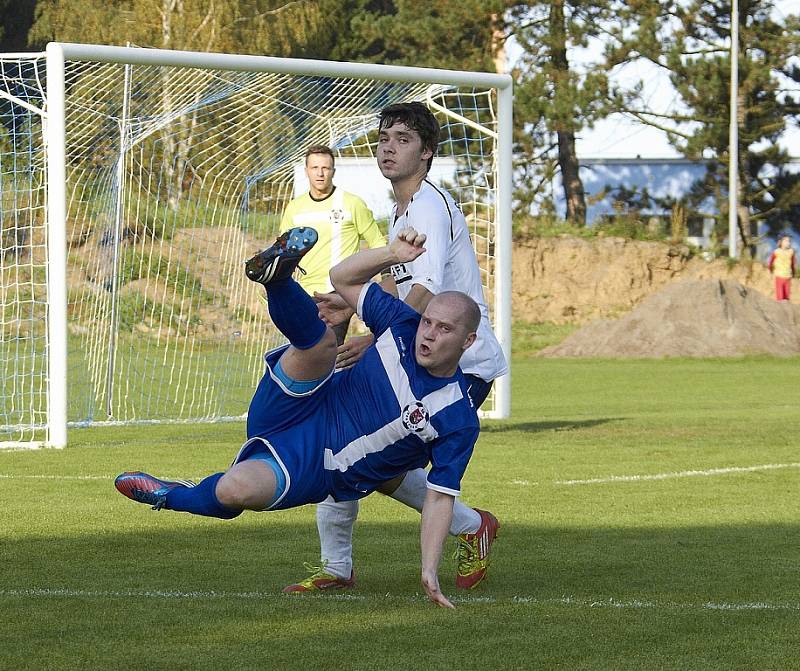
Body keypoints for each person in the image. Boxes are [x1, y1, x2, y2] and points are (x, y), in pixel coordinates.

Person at [116, 225, 482, 609]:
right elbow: (343, 278)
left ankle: (170, 495)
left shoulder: (456, 416)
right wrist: (391, 254)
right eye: (429, 322)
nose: (429, 334)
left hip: (316, 464)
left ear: (467, 341)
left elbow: (440, 498)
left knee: (233, 491)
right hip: (303, 400)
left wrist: (429, 569)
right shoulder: (401, 325)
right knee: (322, 342)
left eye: (445, 329)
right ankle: (276, 279)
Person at [289, 102, 508, 594]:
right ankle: (339, 565)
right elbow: (398, 285)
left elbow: (424, 292)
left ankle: (467, 526)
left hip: (455, 363)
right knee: (355, 444)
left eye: (404, 139)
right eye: (385, 137)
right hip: (423, 354)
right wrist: (353, 310)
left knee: (365, 452)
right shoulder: (401, 210)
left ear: (427, 153)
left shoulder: (428, 204)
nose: (389, 146)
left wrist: (377, 340)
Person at [279, 145, 385, 343]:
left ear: (333, 171)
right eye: (314, 168)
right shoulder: (294, 208)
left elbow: (378, 243)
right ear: (306, 171)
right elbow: (283, 252)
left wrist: (375, 281)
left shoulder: (352, 204)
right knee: (302, 357)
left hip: (337, 294)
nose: (320, 173)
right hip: (302, 295)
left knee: (327, 356)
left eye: (325, 168)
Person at [768, 235, 795, 301]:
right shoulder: (776, 252)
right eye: (786, 241)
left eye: (789, 241)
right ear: (781, 242)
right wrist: (770, 270)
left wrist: (793, 273)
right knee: (780, 297)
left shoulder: (791, 252)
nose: (788, 243)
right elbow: (770, 262)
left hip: (787, 276)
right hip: (779, 276)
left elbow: (792, 264)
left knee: (787, 297)